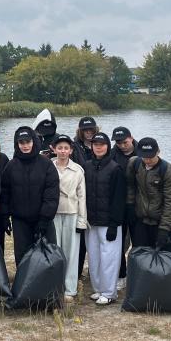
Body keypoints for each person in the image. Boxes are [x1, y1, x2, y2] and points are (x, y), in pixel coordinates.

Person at [0, 126, 59, 267]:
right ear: (17, 144)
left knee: (47, 256)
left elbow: (51, 194)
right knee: (22, 257)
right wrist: (4, 217)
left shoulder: (46, 164)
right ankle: (24, 281)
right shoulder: (11, 166)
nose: (25, 146)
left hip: (43, 219)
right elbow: (5, 193)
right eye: (21, 142)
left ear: (34, 142)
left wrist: (44, 219)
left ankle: (49, 282)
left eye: (28, 142)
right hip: (20, 221)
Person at [84, 132, 126, 305]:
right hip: (91, 221)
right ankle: (99, 289)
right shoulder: (86, 166)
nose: (98, 147)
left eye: (101, 144)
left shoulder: (115, 168)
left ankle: (109, 293)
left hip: (109, 223)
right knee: (94, 258)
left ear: (107, 146)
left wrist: (114, 224)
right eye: (95, 144)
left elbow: (119, 199)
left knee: (109, 258)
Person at [51, 134, 87, 302]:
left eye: (66, 148)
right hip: (54, 213)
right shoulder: (49, 166)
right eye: (60, 148)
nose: (63, 151)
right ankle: (55, 286)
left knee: (71, 253)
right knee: (55, 250)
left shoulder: (78, 170)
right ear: (54, 149)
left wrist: (82, 221)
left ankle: (70, 288)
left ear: (71, 150)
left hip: (72, 212)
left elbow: (82, 197)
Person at [125, 137, 171, 254]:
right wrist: (130, 206)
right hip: (141, 221)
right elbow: (130, 186)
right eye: (144, 157)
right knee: (141, 257)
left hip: (160, 221)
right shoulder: (134, 163)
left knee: (165, 257)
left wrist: (164, 228)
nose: (147, 160)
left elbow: (170, 201)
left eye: (150, 156)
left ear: (158, 152)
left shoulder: (167, 170)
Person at [110, 126, 138, 290]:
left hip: (139, 205)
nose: (122, 145)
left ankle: (138, 274)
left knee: (139, 242)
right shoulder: (112, 155)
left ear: (131, 138)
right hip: (120, 204)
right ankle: (121, 274)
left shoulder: (143, 151)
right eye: (118, 143)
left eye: (125, 142)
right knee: (119, 244)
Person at [72, 116, 100, 279]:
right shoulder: (74, 147)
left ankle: (94, 271)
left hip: (97, 195)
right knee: (80, 237)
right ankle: (77, 272)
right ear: (80, 131)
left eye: (91, 129)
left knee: (96, 237)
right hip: (80, 195)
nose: (88, 132)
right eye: (85, 130)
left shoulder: (101, 144)